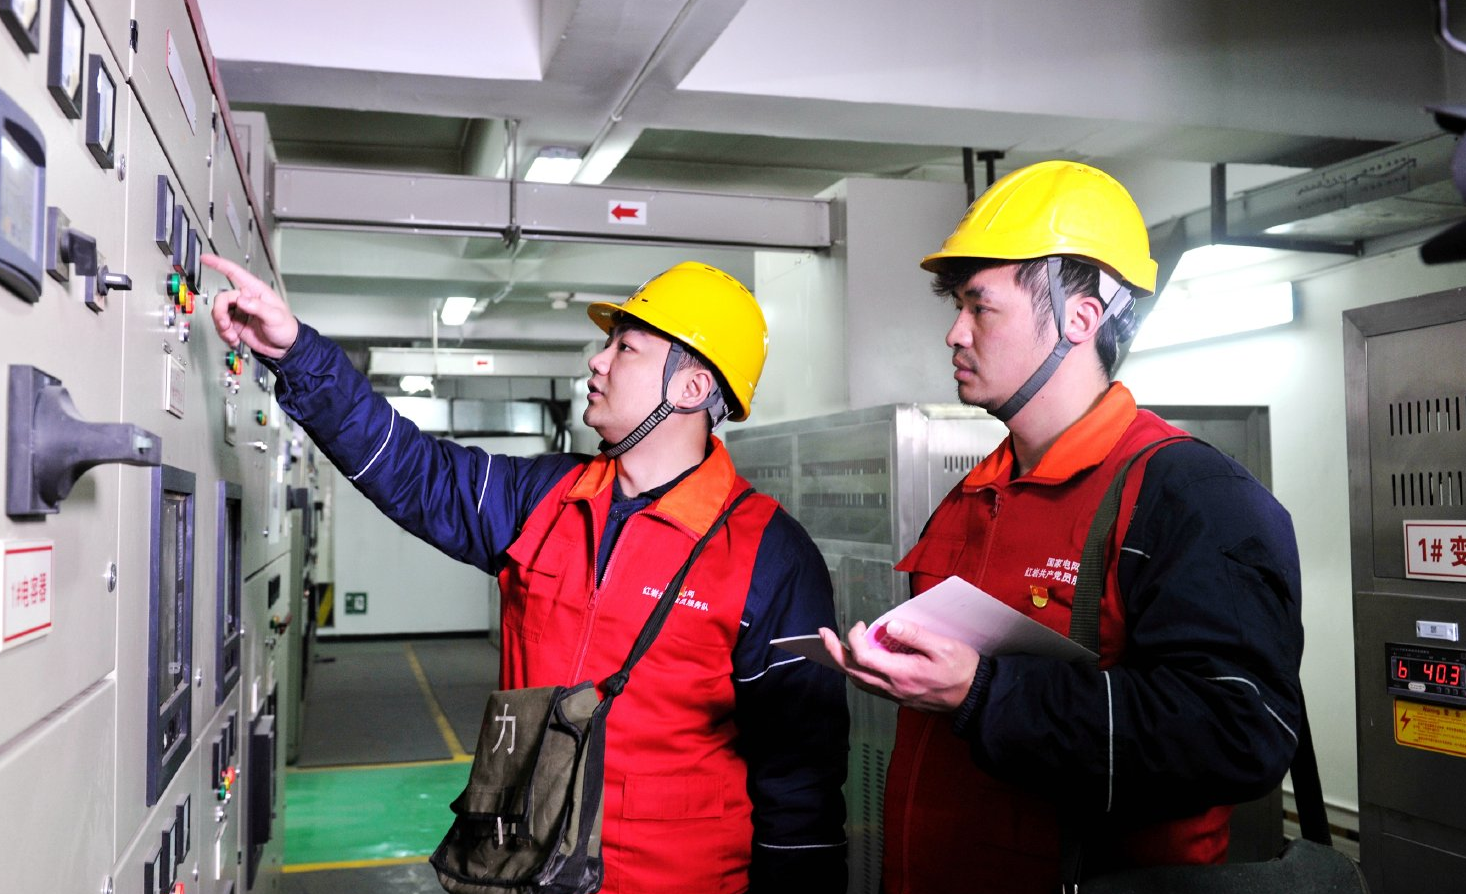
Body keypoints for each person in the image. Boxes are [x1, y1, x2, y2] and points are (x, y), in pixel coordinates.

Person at [201, 254, 848, 894]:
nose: (597, 361)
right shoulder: (543, 497)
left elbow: (802, 784)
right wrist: (295, 353)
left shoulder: (771, 555)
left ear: (692, 388)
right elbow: (412, 468)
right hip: (520, 873)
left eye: (625, 348)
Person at [816, 160, 1305, 893]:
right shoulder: (977, 492)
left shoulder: (1187, 493)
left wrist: (985, 692)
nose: (954, 333)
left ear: (1080, 318)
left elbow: (1240, 732)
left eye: (980, 308)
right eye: (956, 307)